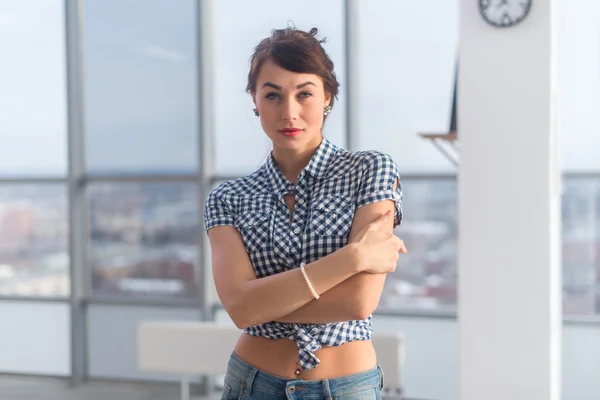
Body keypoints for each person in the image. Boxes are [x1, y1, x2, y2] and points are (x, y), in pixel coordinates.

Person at [204, 26, 406, 400]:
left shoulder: (370, 170)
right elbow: (240, 310)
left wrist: (262, 300)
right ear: (255, 99)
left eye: (305, 94)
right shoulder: (227, 198)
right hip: (253, 384)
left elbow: (359, 300)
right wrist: (353, 257)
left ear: (327, 95)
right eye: (273, 95)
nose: (289, 112)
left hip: (346, 388)